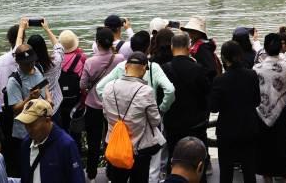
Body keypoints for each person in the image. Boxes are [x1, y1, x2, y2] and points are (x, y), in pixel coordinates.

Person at [97, 30, 175, 183]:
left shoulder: (109, 87)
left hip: (115, 141)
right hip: (140, 144)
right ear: (144, 68)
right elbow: (155, 120)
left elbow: (101, 95)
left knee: (117, 177)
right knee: (142, 175)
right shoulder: (146, 90)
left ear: (126, 67)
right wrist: (162, 108)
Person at [210, 41, 261, 183]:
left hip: (227, 130)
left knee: (226, 172)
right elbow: (257, 101)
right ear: (240, 55)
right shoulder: (251, 75)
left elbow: (214, 107)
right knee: (249, 171)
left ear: (224, 58)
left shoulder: (219, 80)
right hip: (248, 128)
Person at [162, 30, 211, 171]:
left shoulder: (164, 69)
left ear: (172, 47)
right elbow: (206, 92)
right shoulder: (198, 68)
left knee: (174, 157)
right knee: (198, 158)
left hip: (173, 122)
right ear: (188, 47)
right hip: (195, 123)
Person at [80, 26, 124, 180]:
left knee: (93, 142)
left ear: (97, 42)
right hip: (113, 106)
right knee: (112, 140)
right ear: (112, 42)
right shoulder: (120, 59)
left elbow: (82, 85)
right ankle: (111, 173)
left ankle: (91, 175)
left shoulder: (90, 62)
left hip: (93, 106)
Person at [5, 44, 49, 177]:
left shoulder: (38, 68)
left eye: (31, 61)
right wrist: (29, 98)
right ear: (18, 62)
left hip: (42, 127)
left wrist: (49, 98)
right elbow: (15, 109)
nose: (30, 65)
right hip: (25, 132)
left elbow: (45, 87)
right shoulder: (14, 81)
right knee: (27, 168)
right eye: (26, 63)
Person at [16, 98, 84, 183]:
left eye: (32, 124)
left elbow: (77, 178)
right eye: (26, 124)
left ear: (47, 120)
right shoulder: (26, 144)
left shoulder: (66, 145)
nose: (28, 129)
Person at [254, 32, 286, 182]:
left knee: (265, 150)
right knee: (283, 149)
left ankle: (268, 179)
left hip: (261, 113)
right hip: (283, 112)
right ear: (280, 47)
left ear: (265, 47)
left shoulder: (256, 68)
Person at [15, 18, 65, 117]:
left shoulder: (25, 67)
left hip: (34, 108)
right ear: (44, 47)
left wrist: (21, 28)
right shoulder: (55, 62)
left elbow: (17, 51)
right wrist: (47, 29)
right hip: (53, 104)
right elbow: (59, 47)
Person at [56, 29, 86, 138]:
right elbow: (85, 78)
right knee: (75, 127)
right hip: (76, 99)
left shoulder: (56, 58)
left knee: (62, 125)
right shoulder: (81, 57)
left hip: (59, 98)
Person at [183, 16, 221, 82]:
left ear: (200, 33)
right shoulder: (196, 43)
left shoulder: (203, 47)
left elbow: (211, 69)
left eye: (194, 31)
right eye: (190, 30)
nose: (191, 32)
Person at [0, 25, 24, 95]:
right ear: (23, 39)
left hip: (4, 99)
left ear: (9, 40)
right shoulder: (28, 59)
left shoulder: (0, 60)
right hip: (23, 99)